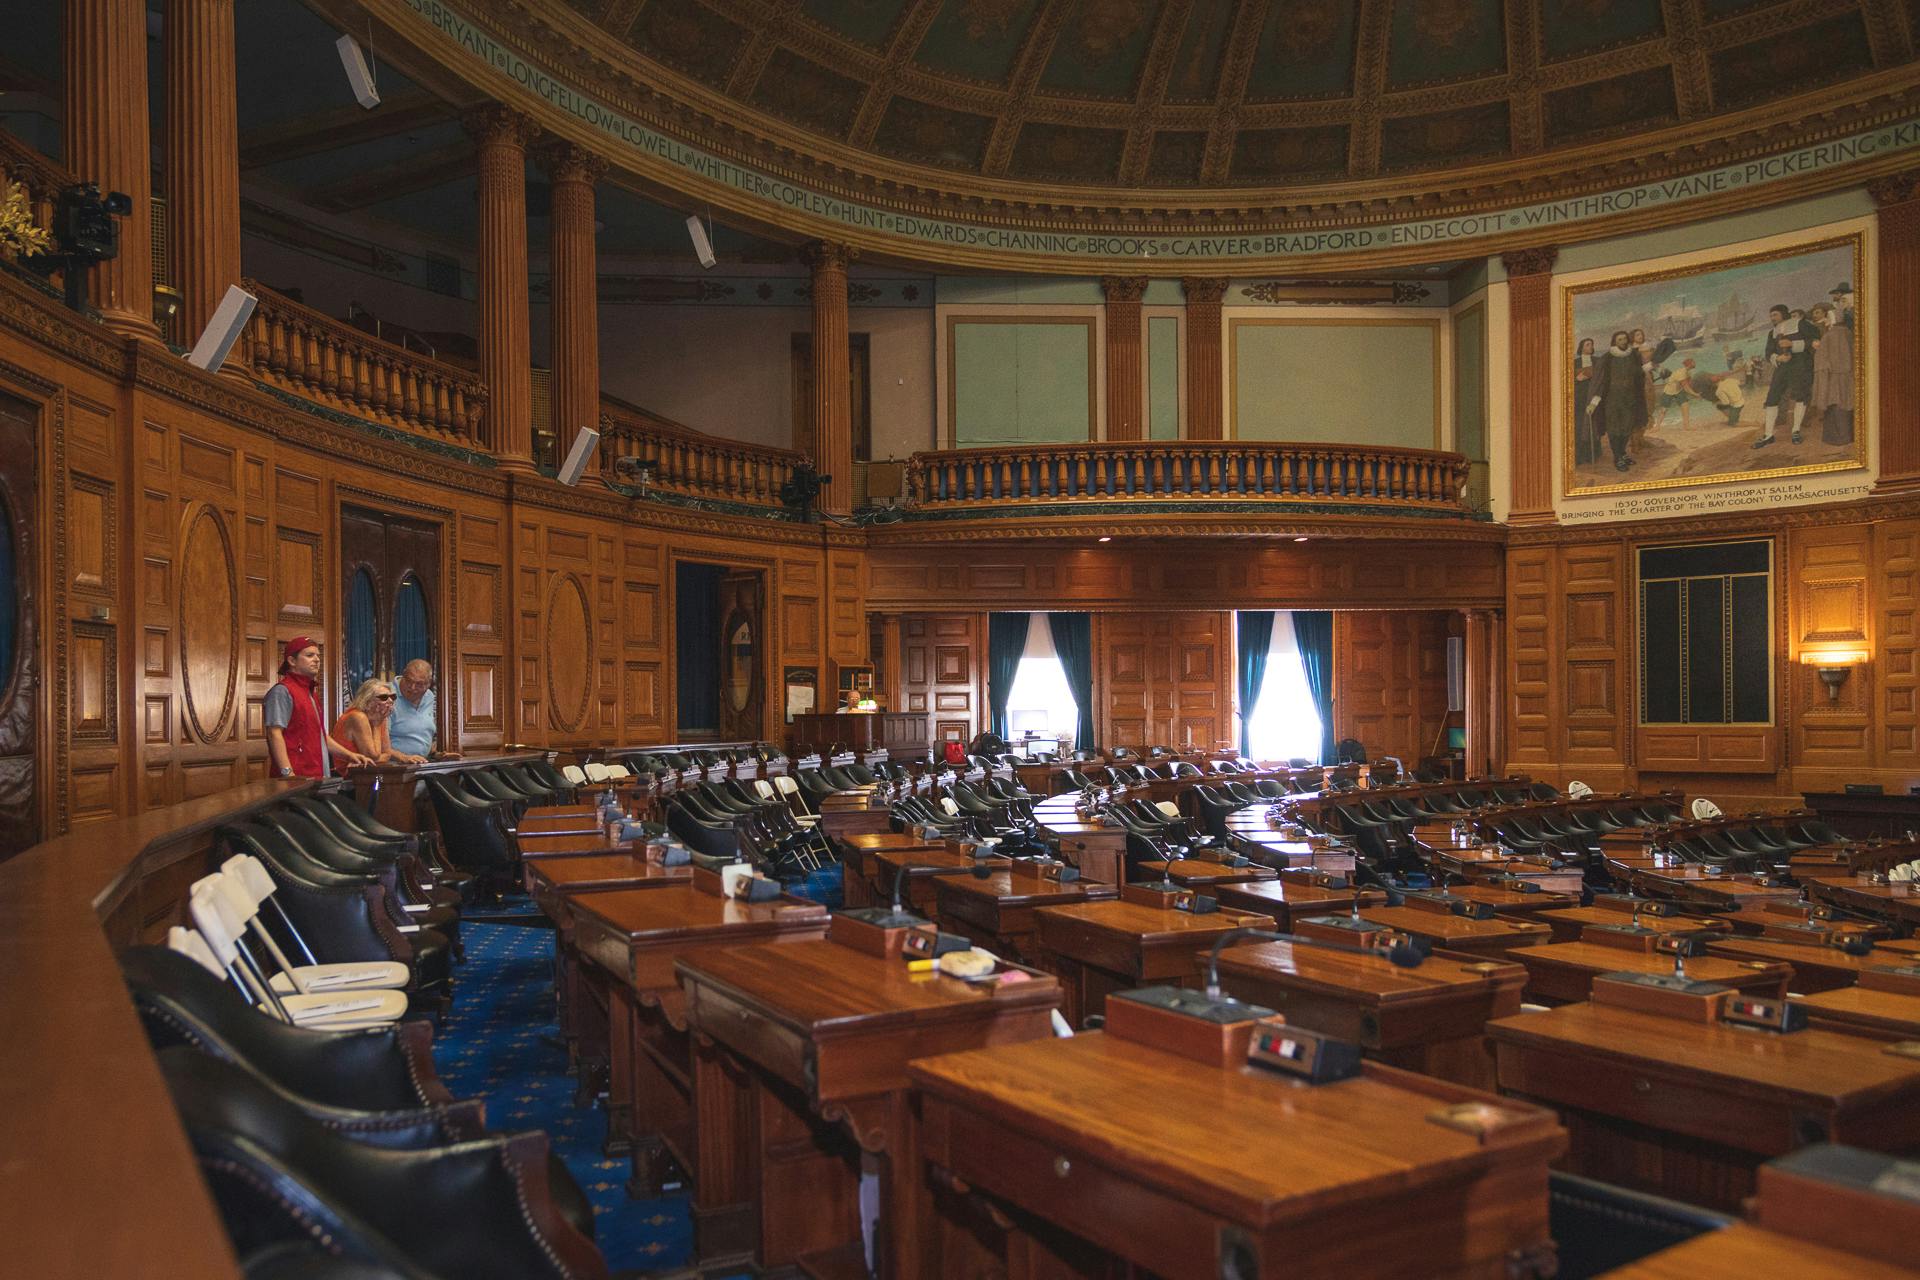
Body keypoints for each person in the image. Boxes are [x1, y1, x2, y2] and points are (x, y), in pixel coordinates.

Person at [264, 636, 370, 779]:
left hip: (316, 775)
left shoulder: (310, 692)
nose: (317, 659)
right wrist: (287, 773)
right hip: (296, 779)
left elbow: (321, 737)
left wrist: (350, 755)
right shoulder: (282, 691)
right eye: (309, 655)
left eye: (318, 655)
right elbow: (274, 733)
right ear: (292, 661)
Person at [1754, 303, 1815, 448]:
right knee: (1772, 398)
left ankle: (1796, 431)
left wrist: (1793, 344)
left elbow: (1814, 340)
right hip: (1782, 368)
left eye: (1774, 315)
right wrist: (1777, 358)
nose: (1772, 318)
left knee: (1800, 396)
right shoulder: (1772, 332)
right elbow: (1768, 352)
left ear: (1783, 314)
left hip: (1800, 366)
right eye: (1770, 316)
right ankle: (1768, 435)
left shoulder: (1800, 324)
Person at [332, 679, 424, 771]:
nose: (390, 701)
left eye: (392, 697)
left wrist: (402, 757)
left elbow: (387, 754)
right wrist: (376, 725)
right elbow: (374, 756)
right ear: (368, 700)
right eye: (384, 697)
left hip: (366, 772)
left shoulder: (380, 717)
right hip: (347, 775)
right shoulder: (358, 716)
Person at [1586, 330, 1646, 472]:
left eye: (1625, 339)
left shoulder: (1633, 355)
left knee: (1627, 428)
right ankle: (1617, 457)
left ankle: (1623, 453)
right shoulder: (1607, 358)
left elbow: (1639, 374)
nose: (1623, 342)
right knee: (1614, 429)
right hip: (1612, 400)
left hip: (1629, 399)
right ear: (1615, 342)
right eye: (1620, 340)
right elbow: (1599, 381)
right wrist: (1594, 402)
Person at [1808, 302, 1855, 445]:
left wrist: (1816, 347)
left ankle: (1839, 438)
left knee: (1835, 406)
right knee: (1845, 405)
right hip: (1846, 376)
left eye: (1827, 318)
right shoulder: (1847, 332)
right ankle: (1847, 436)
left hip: (1833, 377)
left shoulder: (1831, 335)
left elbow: (1822, 361)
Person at [390, 659, 456, 760]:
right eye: (408, 681)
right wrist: (404, 757)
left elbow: (422, 736)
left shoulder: (429, 696)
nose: (412, 687)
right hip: (393, 767)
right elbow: (377, 744)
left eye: (419, 684)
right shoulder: (386, 696)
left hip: (421, 764)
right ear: (403, 675)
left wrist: (437, 755)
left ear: (429, 683)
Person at [1571, 337, 1599, 464]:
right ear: (1581, 347)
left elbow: (1601, 379)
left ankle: (1593, 454)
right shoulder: (1575, 363)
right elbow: (1566, 381)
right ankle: (1580, 455)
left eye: (1592, 345)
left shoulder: (1597, 361)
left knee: (1593, 424)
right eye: (1588, 345)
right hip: (1579, 397)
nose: (1591, 347)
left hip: (1593, 396)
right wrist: (1577, 379)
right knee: (1579, 425)